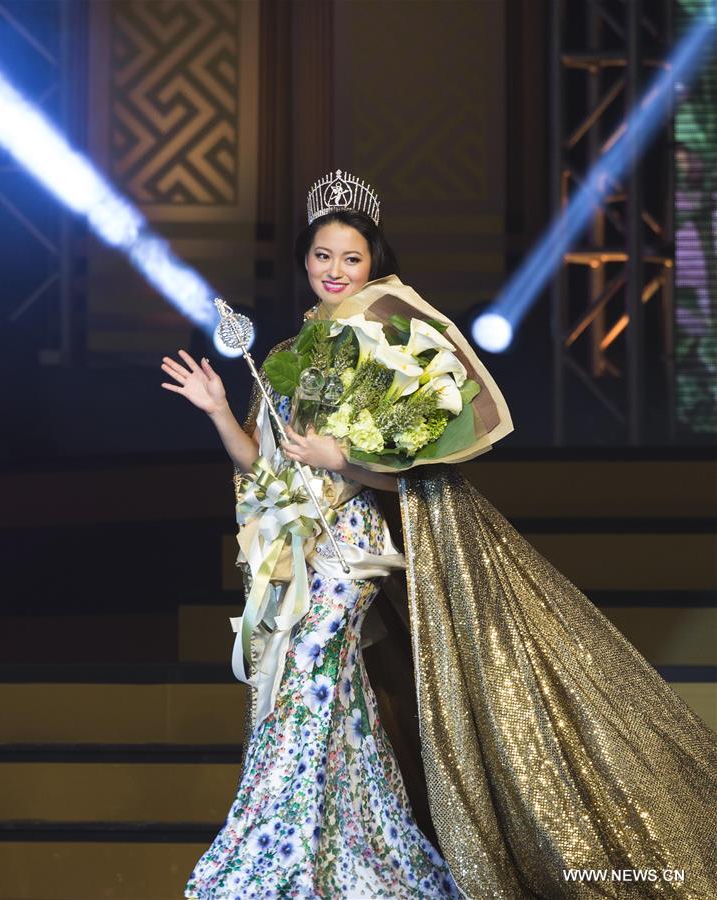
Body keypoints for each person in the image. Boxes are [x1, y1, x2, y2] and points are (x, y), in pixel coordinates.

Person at [161, 172, 717, 899]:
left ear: (372, 264)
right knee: (332, 702)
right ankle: (377, 861)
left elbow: (418, 478)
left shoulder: (392, 344)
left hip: (346, 555)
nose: (335, 271)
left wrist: (345, 460)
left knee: (305, 683)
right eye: (323, 256)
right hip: (287, 554)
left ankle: (267, 859)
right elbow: (260, 466)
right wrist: (214, 412)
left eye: (351, 259)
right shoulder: (283, 358)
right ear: (305, 261)